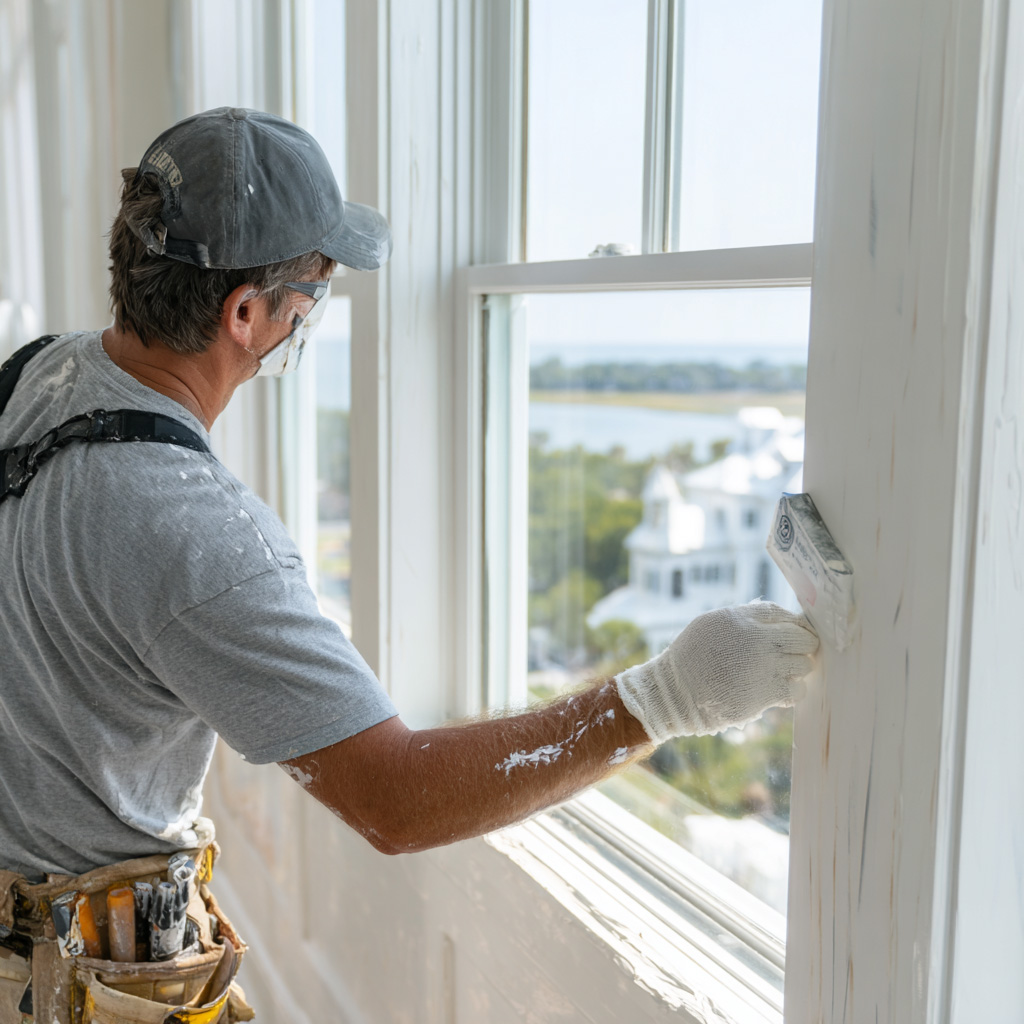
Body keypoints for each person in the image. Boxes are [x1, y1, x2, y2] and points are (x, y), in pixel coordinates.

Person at [0, 107, 816, 1014]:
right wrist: (663, 698)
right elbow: (398, 799)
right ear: (245, 314)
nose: (306, 319)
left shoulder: (34, 374)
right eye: (309, 295)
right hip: (63, 983)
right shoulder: (197, 532)